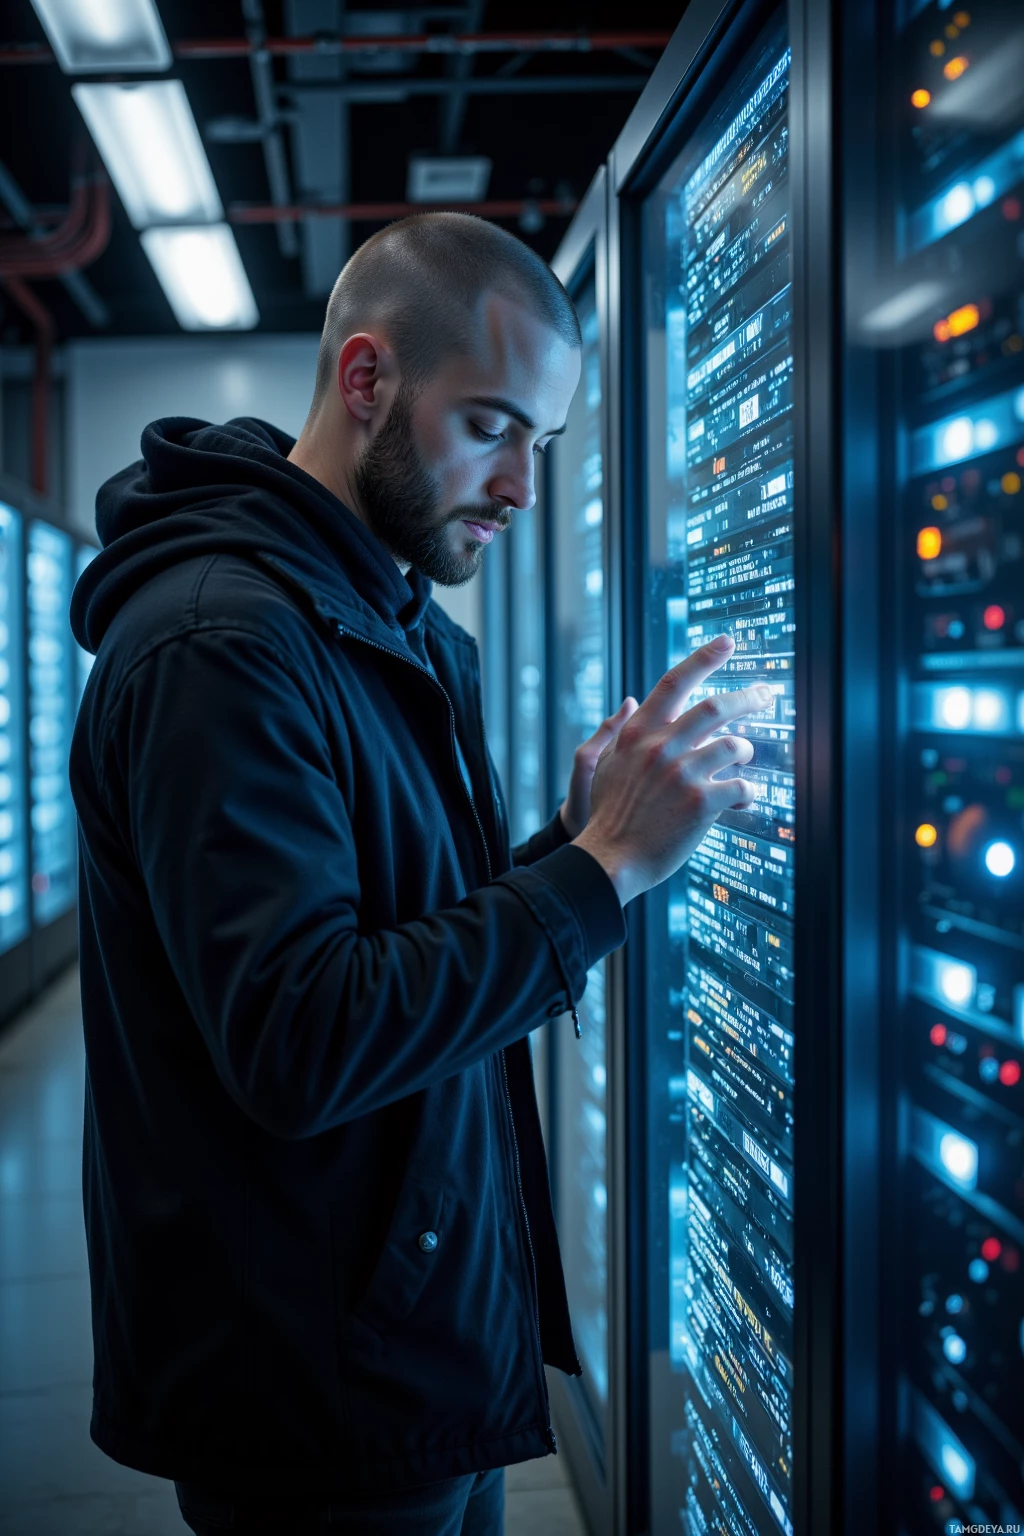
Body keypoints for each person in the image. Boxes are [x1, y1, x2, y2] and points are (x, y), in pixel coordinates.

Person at [70, 212, 765, 1536]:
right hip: (313, 1383)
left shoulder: (383, 623)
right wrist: (600, 875)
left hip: (406, 1338)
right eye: (494, 426)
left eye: (543, 446)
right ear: (368, 378)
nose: (521, 487)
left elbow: (391, 930)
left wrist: (572, 847)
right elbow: (304, 1034)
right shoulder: (220, 649)